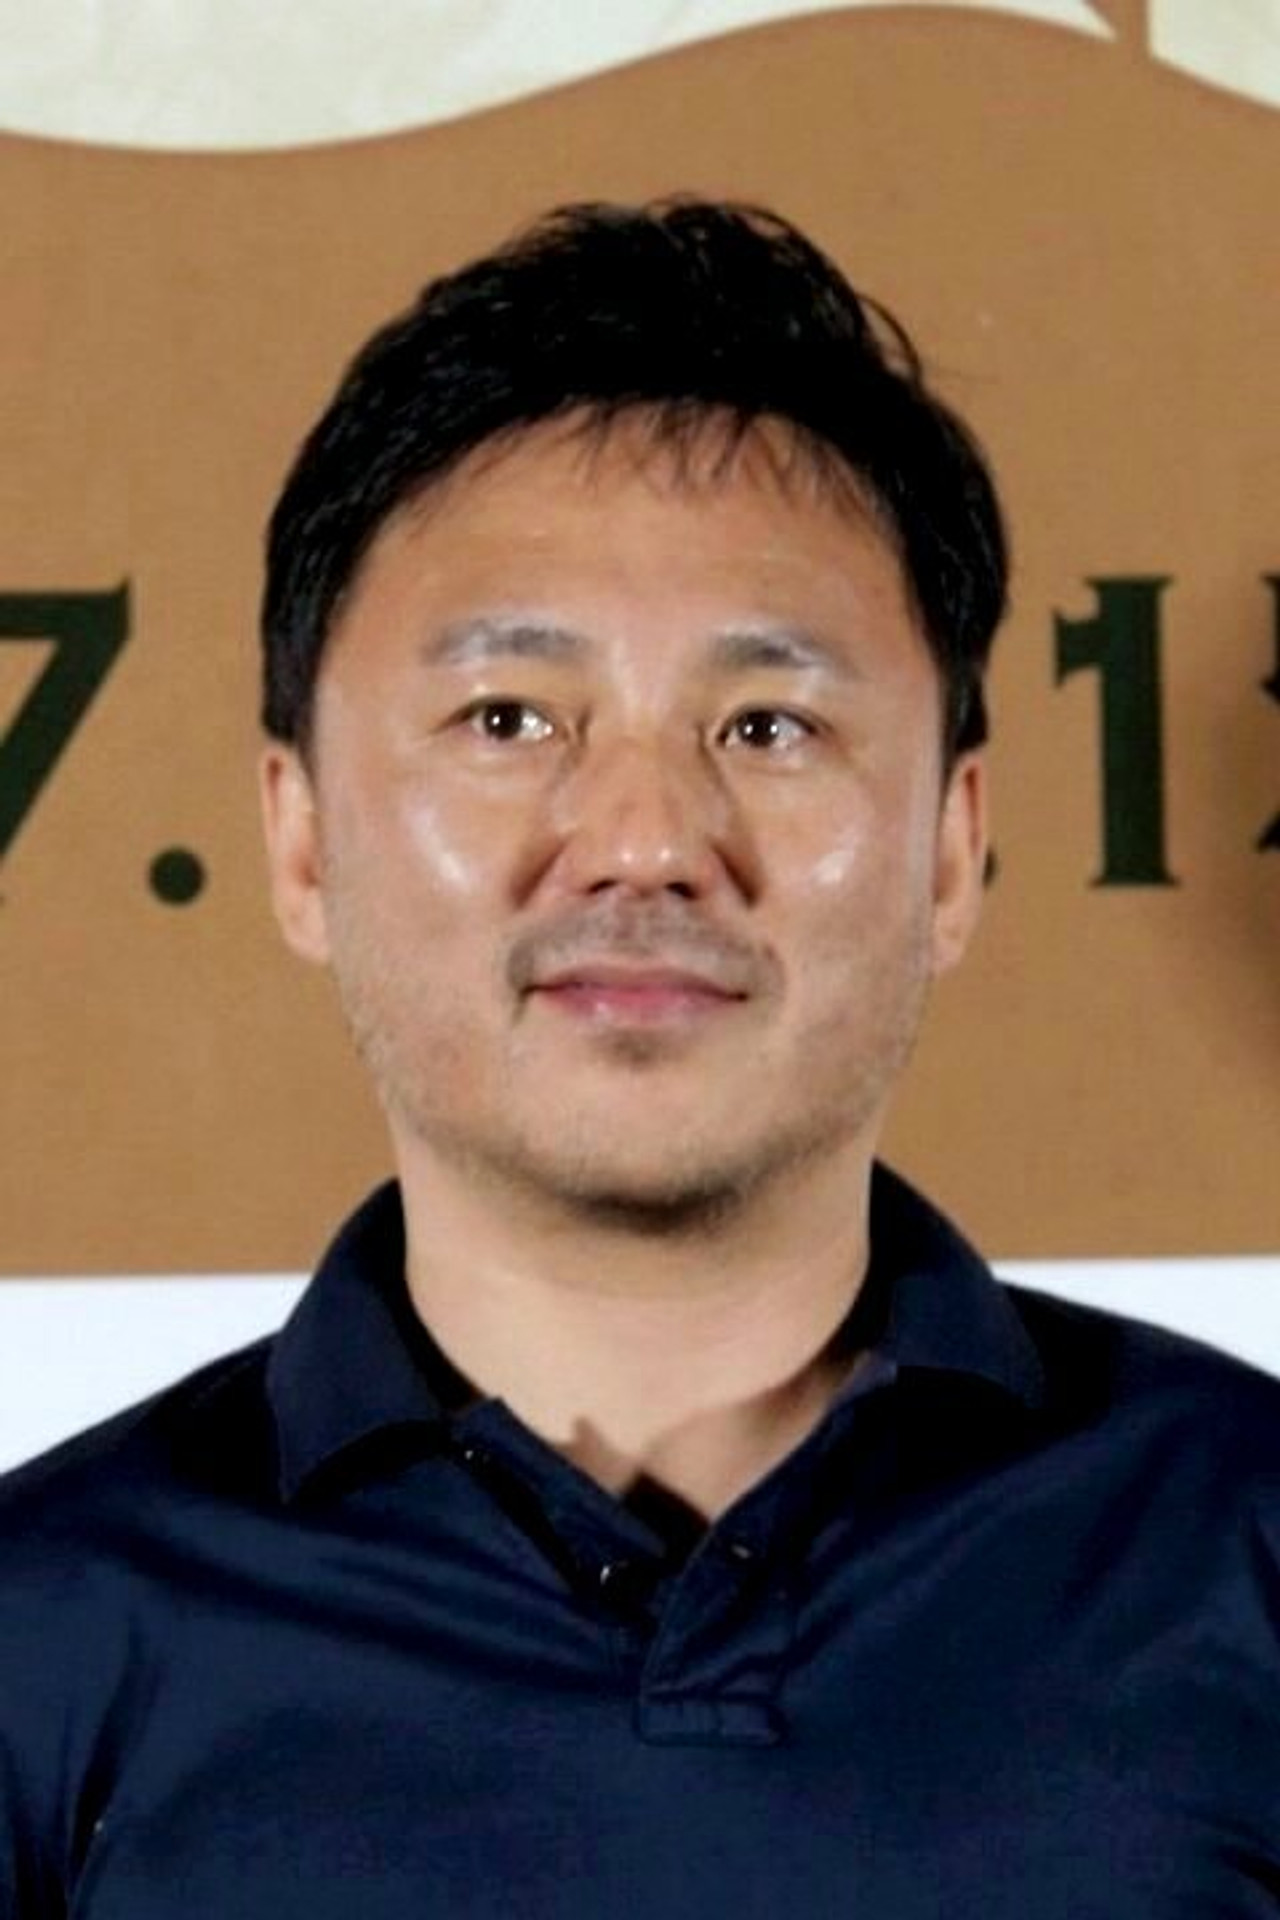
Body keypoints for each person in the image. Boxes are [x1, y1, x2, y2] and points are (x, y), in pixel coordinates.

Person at [3, 198, 1278, 1918]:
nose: (645, 843)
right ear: (300, 839)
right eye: (509, 719)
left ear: (952, 847)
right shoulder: (46, 1636)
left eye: (768, 725)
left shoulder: (1240, 1552)